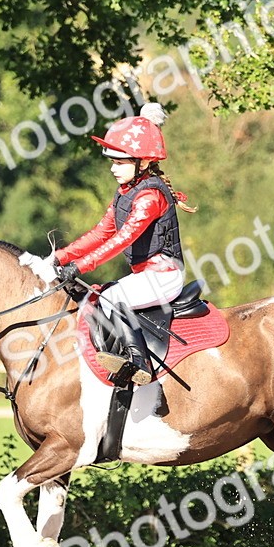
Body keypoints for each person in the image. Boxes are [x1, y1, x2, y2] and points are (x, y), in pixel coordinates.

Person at [53, 102, 197, 385]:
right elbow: (101, 233)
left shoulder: (149, 197)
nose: (112, 169)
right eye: (112, 161)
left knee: (111, 298)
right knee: (95, 299)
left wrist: (79, 267)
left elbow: (122, 240)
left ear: (142, 163)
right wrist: (59, 258)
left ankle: (138, 361)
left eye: (120, 163)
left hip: (165, 276)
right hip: (146, 275)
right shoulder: (125, 193)